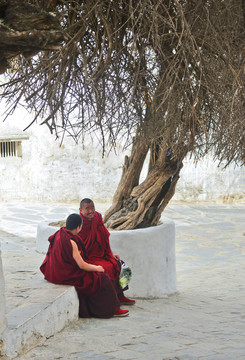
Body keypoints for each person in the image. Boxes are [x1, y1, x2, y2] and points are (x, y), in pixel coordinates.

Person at [40, 213, 129, 318]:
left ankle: (121, 295)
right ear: (78, 227)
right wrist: (96, 268)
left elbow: (104, 246)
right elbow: (81, 264)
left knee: (123, 266)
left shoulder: (60, 233)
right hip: (69, 272)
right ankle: (112, 309)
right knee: (102, 278)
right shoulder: (71, 240)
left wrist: (110, 255)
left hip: (60, 270)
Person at [78, 198, 135, 306]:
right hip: (88, 258)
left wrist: (111, 254)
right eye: (87, 209)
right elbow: (77, 245)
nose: (91, 211)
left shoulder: (97, 218)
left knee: (121, 265)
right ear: (80, 210)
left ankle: (121, 295)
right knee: (107, 268)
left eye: (92, 207)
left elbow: (104, 238)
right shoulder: (79, 223)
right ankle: (111, 300)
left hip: (102, 254)